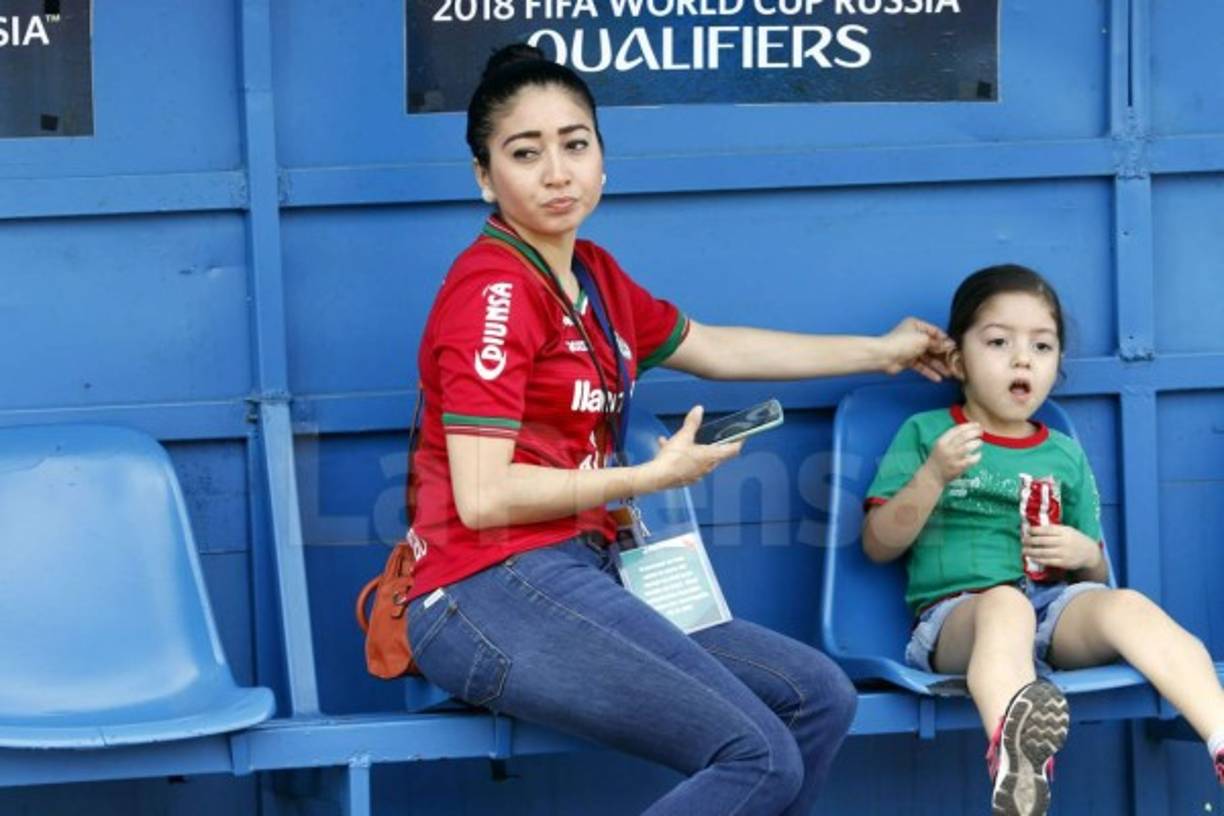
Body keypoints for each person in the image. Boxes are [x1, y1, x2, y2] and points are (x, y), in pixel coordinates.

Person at [402, 43, 951, 816]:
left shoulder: (594, 277)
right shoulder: (494, 292)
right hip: (482, 588)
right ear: (485, 177)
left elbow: (717, 348)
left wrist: (881, 351)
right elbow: (484, 495)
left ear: (602, 159)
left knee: (818, 699)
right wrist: (647, 478)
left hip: (579, 569)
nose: (557, 172)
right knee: (757, 756)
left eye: (575, 144)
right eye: (525, 153)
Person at [862, 264, 1224, 816]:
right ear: (957, 361)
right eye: (999, 342)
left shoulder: (1063, 452)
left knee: (1127, 605)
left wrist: (1084, 554)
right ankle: (1019, 768)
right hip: (958, 621)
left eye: (1042, 345)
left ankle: (1220, 735)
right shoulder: (928, 435)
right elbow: (878, 544)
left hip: (1052, 612)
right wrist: (933, 475)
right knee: (1005, 606)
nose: (1022, 359)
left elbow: (1095, 574)